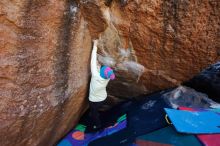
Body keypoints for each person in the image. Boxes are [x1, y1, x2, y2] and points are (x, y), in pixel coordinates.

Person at [88, 40, 115, 130]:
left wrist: (95, 45)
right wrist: (98, 66)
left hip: (93, 99)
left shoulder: (95, 75)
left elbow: (92, 60)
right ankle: (96, 113)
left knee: (94, 112)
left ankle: (98, 125)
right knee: (96, 110)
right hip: (103, 98)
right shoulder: (107, 78)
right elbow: (107, 72)